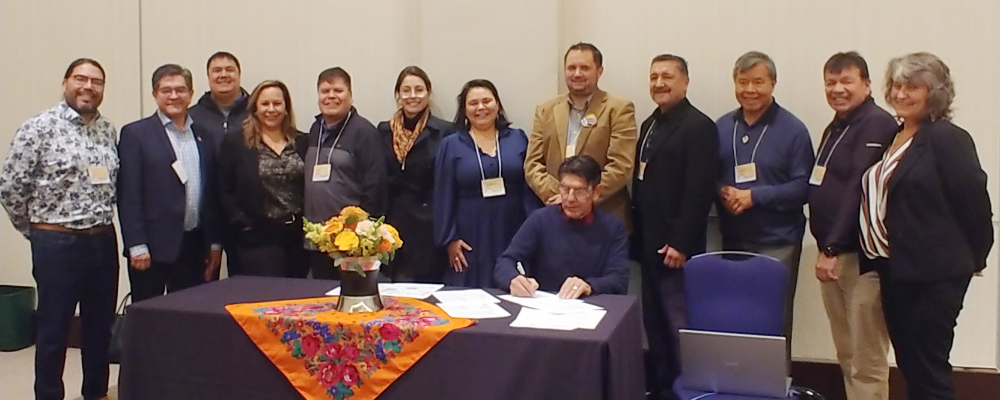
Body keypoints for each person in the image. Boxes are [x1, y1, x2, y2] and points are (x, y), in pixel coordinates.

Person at [860, 52, 992, 400]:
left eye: (912, 87)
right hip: (896, 271)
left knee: (928, 371)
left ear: (934, 92)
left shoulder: (947, 137)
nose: (901, 94)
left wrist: (976, 257)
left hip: (934, 277)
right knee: (912, 368)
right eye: (897, 86)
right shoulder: (896, 135)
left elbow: (975, 203)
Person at [0, 58, 118, 400]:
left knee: (99, 328)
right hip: (56, 242)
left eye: (96, 81)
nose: (88, 86)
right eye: (81, 78)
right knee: (54, 330)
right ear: (65, 82)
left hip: (101, 240)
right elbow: (10, 188)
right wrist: (38, 231)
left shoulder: (106, 130)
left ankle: (96, 392)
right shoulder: (39, 127)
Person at [808, 52, 897, 400]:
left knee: (866, 356)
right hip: (833, 254)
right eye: (831, 82)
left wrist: (830, 247)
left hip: (858, 259)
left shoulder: (876, 123)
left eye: (847, 81)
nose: (838, 89)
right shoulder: (838, 125)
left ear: (867, 84)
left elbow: (857, 188)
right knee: (847, 351)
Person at [632, 54, 719, 400]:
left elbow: (699, 191)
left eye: (667, 76)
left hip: (675, 247)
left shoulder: (699, 126)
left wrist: (681, 243)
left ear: (685, 81)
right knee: (653, 322)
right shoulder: (651, 123)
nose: (659, 83)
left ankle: (688, 389)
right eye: (653, 76)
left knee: (678, 323)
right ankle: (663, 387)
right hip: (648, 241)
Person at [715, 51, 815, 353]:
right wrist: (723, 191)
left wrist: (754, 196)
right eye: (743, 82)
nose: (750, 90)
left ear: (773, 83)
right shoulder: (721, 126)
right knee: (735, 318)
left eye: (758, 82)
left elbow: (803, 188)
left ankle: (774, 388)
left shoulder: (793, 130)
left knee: (773, 319)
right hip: (732, 240)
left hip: (778, 241)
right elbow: (706, 174)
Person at [117, 64, 222, 303]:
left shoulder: (204, 134)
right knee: (149, 315)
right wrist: (136, 245)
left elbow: (212, 194)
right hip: (152, 247)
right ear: (155, 94)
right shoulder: (136, 134)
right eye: (166, 90)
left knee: (188, 314)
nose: (174, 96)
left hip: (194, 245)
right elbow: (129, 194)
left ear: (191, 93)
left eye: (181, 90)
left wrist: (214, 243)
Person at [434, 79, 540, 288]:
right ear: (464, 109)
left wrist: (532, 231)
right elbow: (443, 194)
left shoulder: (518, 138)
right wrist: (449, 240)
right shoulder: (452, 144)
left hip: (512, 228)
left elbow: (529, 189)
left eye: (486, 101)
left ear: (497, 104)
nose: (481, 108)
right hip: (470, 234)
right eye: (473, 103)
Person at [524, 42, 637, 227]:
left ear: (599, 71)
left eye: (584, 68)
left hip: (603, 217)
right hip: (556, 214)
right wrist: (562, 196)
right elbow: (532, 164)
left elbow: (621, 165)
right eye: (571, 68)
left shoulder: (618, 109)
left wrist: (583, 196)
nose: (577, 74)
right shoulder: (545, 109)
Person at [495, 155, 629, 298]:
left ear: (596, 192)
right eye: (565, 189)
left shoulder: (612, 227)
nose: (570, 198)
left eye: (579, 191)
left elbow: (619, 280)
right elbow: (505, 261)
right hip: (543, 305)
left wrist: (589, 286)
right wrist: (513, 279)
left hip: (591, 307)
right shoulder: (540, 219)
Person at [218, 80, 308, 278]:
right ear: (255, 108)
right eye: (265, 104)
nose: (271, 109)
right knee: (267, 300)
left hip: (297, 237)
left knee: (296, 300)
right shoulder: (237, 142)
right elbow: (224, 190)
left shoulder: (302, 141)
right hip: (257, 238)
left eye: (277, 103)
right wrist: (243, 223)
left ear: (286, 108)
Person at [304, 67, 387, 279]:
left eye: (338, 90)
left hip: (350, 242)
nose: (331, 96)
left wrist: (362, 232)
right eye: (325, 91)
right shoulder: (315, 129)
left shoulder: (364, 132)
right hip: (318, 238)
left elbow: (375, 186)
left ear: (350, 95)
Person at [377, 66, 454, 283]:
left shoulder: (445, 132)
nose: (413, 96)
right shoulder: (384, 131)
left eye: (419, 90)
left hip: (428, 225)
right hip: (392, 223)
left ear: (428, 94)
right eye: (406, 90)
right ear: (398, 95)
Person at [189, 51, 249, 277]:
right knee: (203, 283)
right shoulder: (191, 116)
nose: (223, 75)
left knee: (245, 284)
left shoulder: (257, 113)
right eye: (217, 70)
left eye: (229, 69)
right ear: (208, 76)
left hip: (243, 215)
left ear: (239, 75)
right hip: (204, 215)